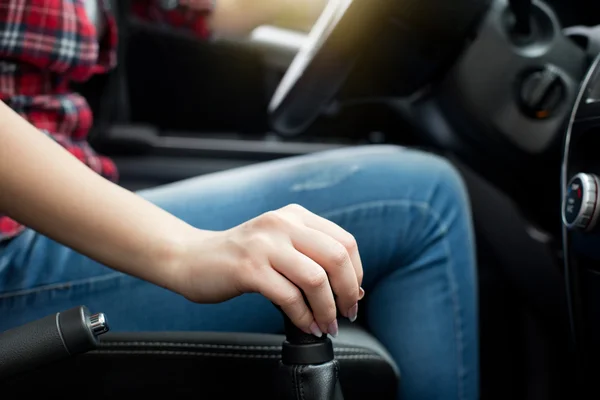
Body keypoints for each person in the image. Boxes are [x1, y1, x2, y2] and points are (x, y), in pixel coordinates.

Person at [0, 1, 479, 399]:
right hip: (12, 255)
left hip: (54, 205)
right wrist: (186, 251)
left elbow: (202, 6)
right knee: (423, 206)